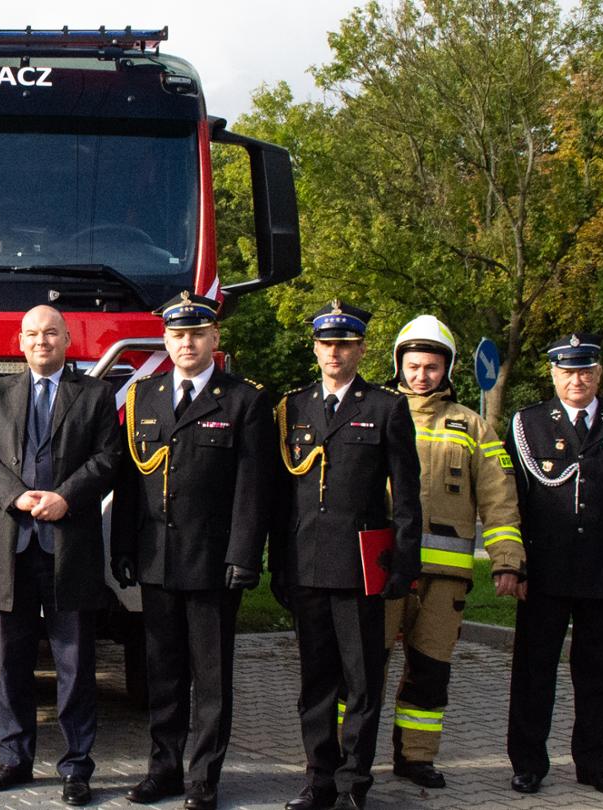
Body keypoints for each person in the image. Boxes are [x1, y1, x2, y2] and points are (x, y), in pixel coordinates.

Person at [110, 293, 275, 809]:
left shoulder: (244, 400)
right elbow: (130, 482)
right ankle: (164, 769)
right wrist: (122, 548)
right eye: (178, 335)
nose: (187, 343)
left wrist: (245, 555)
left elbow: (255, 487)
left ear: (214, 340)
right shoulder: (145, 397)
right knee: (163, 674)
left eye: (197, 334)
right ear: (166, 340)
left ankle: (204, 777)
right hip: (157, 558)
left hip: (213, 562)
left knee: (211, 679)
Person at [0, 305, 122, 807]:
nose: (41, 341)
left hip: (68, 544)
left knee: (74, 661)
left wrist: (66, 497)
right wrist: (16, 495)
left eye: (50, 332)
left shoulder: (95, 395)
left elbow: (108, 458)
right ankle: (14, 759)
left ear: (67, 339)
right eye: (32, 334)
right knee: (12, 660)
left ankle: (77, 767)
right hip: (12, 543)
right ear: (19, 342)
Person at [271, 300, 422, 810]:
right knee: (316, 682)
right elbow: (279, 494)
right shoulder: (292, 407)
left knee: (361, 681)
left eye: (344, 344)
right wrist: (278, 561)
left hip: (361, 565)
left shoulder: (385, 407)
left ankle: (356, 779)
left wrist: (404, 561)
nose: (334, 353)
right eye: (326, 344)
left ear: (360, 350)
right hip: (307, 562)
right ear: (315, 349)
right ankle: (319, 779)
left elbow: (406, 494)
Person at [505, 333, 603, 797]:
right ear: (553, 374)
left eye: (586, 371)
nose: (578, 379)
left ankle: (596, 763)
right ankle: (528, 764)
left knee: (597, 674)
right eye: (569, 371)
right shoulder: (528, 424)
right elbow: (513, 505)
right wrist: (516, 566)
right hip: (545, 573)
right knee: (534, 673)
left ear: (599, 375)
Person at [378, 316, 524, 789]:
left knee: (431, 671)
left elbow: (500, 498)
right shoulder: (377, 412)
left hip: (445, 577)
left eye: (432, 367)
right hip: (381, 571)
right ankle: (343, 754)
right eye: (414, 366)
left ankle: (416, 758)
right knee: (360, 669)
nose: (422, 376)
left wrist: (507, 560)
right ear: (399, 365)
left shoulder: (472, 425)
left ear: (448, 369)